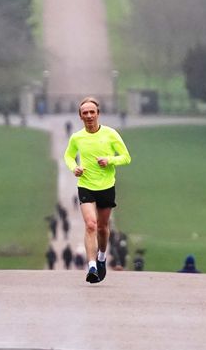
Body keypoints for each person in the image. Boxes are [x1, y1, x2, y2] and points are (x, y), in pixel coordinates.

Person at [63, 96, 132, 284]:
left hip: (106, 186)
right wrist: (74, 168)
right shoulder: (77, 137)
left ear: (98, 114)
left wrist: (109, 160)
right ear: (80, 116)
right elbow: (68, 156)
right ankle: (92, 265)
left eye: (92, 112)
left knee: (102, 227)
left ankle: (102, 257)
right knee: (91, 225)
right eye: (85, 113)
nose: (89, 116)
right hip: (86, 185)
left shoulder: (110, 134)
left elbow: (126, 157)